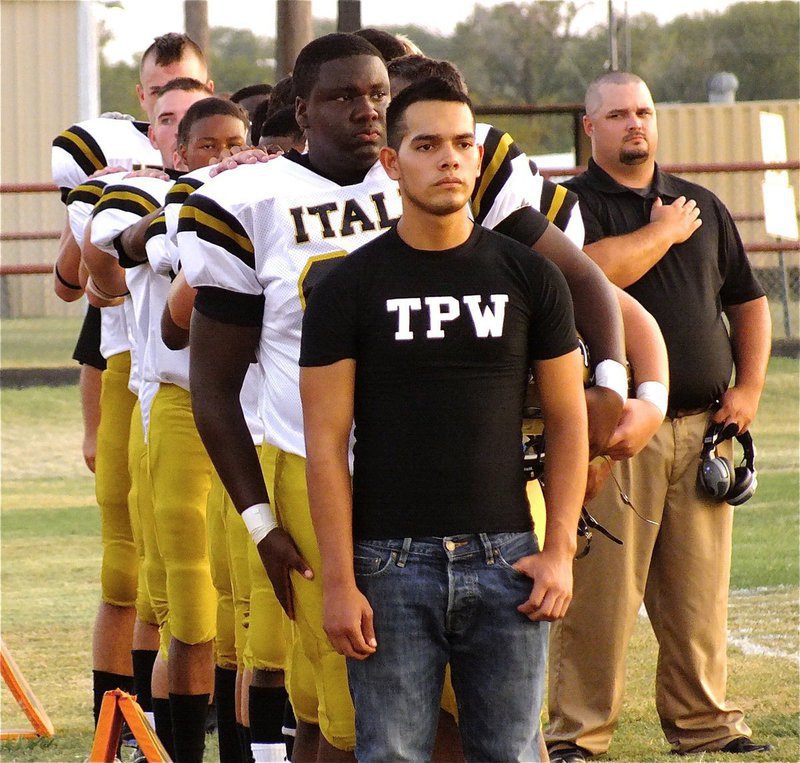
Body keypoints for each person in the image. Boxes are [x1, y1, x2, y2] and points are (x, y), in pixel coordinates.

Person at [178, 33, 626, 761]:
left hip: (483, 487)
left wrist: (616, 383)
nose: (366, 109)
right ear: (302, 108)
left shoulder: (452, 161)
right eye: (343, 96)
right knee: (352, 721)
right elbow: (211, 380)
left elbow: (581, 283)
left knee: (508, 728)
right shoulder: (253, 200)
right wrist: (260, 521)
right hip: (328, 476)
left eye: (378, 94)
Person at [299, 76, 587, 762]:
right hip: (387, 562)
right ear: (392, 163)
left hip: (509, 556)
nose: (450, 159)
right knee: (393, 752)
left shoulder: (529, 275)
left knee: (514, 751)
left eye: (463, 143)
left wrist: (561, 549)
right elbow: (324, 444)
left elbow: (568, 422)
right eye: (427, 145)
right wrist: (340, 581)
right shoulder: (346, 286)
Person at [545, 71, 772, 761]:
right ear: (590, 128)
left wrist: (750, 388)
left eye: (643, 111)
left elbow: (749, 302)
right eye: (616, 114)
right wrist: (665, 234)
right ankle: (578, 736)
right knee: (600, 599)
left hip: (703, 425)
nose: (634, 124)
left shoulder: (700, 202)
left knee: (698, 598)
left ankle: (707, 726)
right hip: (614, 432)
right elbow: (584, 273)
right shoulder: (567, 205)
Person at [50, 32, 212, 738]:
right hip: (146, 383)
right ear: (142, 105)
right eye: (164, 104)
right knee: (137, 572)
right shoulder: (115, 176)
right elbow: (86, 291)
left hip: (244, 394)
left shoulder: (246, 172)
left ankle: (192, 722)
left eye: (193, 100)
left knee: (220, 580)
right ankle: (121, 728)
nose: (178, 126)